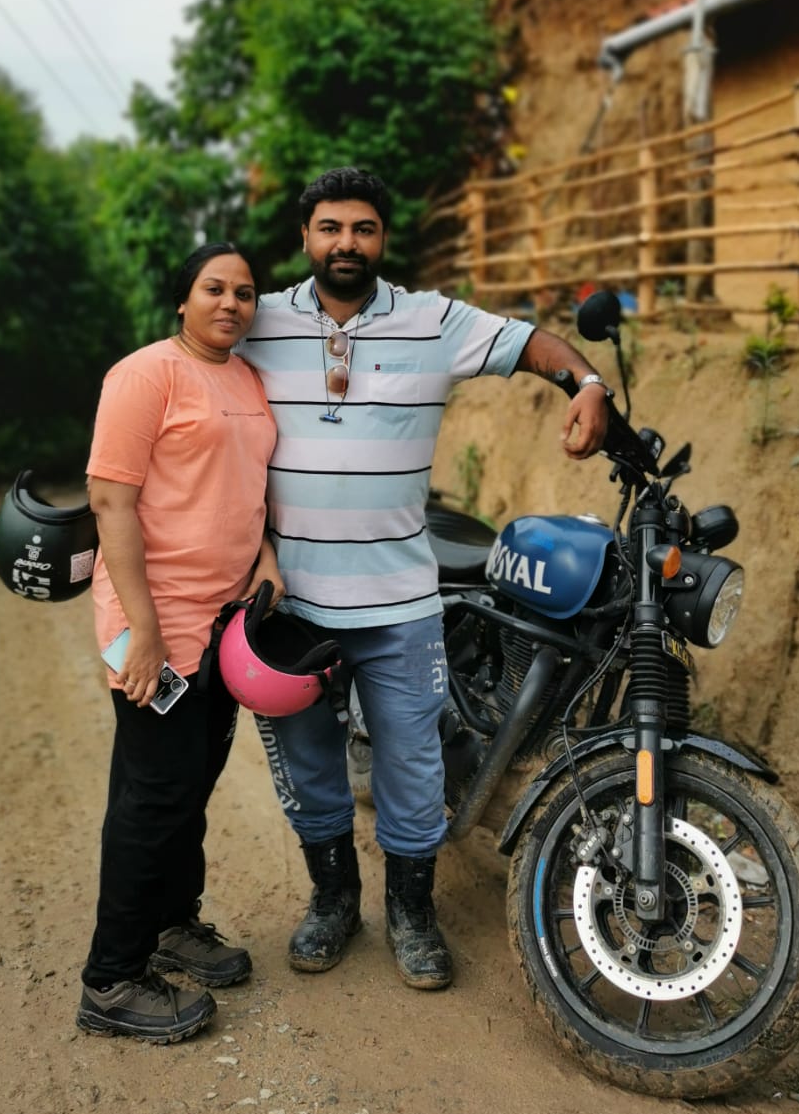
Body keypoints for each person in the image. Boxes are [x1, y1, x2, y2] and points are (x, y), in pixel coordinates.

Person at [236, 167, 610, 991]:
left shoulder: (432, 320)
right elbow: (184, 366)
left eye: (362, 229)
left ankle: (412, 912)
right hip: (291, 607)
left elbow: (528, 345)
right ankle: (333, 901)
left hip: (402, 602)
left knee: (414, 768)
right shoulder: (256, 323)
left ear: (382, 240)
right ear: (305, 238)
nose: (346, 243)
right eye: (330, 228)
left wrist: (587, 384)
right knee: (310, 766)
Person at [76, 243, 281, 1043]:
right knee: (152, 797)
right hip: (153, 622)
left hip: (226, 619)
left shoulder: (247, 379)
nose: (230, 303)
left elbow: (248, 485)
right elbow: (110, 503)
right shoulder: (145, 375)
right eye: (213, 289)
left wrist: (264, 558)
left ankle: (171, 923)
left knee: (186, 785)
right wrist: (147, 635)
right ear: (182, 300)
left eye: (244, 292)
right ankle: (112, 979)